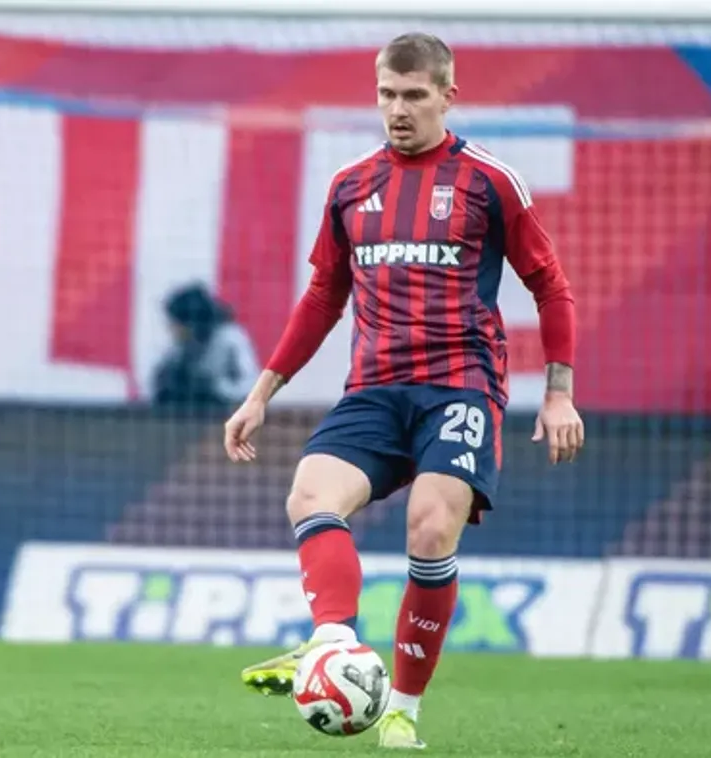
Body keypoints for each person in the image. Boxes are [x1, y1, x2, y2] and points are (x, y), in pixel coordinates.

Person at [222, 32, 583, 749]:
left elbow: (550, 285)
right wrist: (261, 392)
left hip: (459, 388)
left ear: (448, 96)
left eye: (414, 95)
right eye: (387, 94)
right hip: (375, 390)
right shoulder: (351, 186)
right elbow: (323, 296)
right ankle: (332, 643)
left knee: (429, 526)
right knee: (309, 495)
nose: (397, 110)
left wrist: (558, 392)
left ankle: (401, 711)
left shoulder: (489, 182)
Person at [150, 282, 257, 412]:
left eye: (176, 324)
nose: (172, 329)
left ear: (191, 323)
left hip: (225, 410)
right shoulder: (179, 347)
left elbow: (250, 387)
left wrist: (215, 387)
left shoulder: (230, 338)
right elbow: (157, 385)